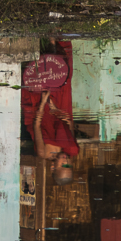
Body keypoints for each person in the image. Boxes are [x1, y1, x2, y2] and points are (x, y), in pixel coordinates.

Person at [21, 41, 79, 186]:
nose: (66, 161)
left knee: (39, 78)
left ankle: (38, 42)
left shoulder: (43, 153)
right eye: (69, 165)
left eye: (63, 165)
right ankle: (58, 41)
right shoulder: (70, 150)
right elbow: (68, 125)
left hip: (37, 109)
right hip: (56, 110)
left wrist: (44, 102)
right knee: (64, 78)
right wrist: (57, 110)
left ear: (53, 167)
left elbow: (36, 125)